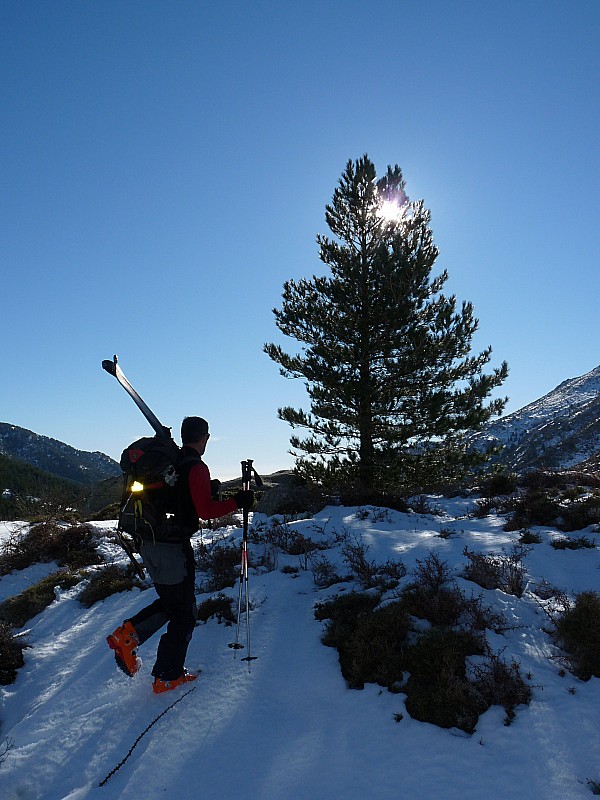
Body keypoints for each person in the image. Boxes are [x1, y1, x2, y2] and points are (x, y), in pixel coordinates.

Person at [106, 416, 254, 693]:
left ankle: (128, 636)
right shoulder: (195, 467)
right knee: (184, 614)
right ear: (205, 438)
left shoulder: (174, 463)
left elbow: (180, 498)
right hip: (170, 548)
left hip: (151, 543)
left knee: (174, 602)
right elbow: (206, 511)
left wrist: (208, 491)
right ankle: (166, 676)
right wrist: (238, 502)